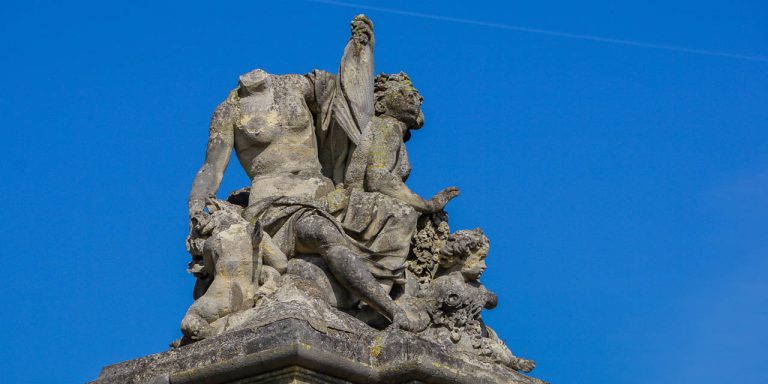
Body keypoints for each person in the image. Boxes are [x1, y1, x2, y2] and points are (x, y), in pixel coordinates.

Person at [181, 15, 414, 340]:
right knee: (320, 231)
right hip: (274, 205)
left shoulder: (295, 86)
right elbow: (211, 169)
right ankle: (389, 310)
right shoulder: (229, 111)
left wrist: (360, 53)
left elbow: (344, 101)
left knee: (399, 214)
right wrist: (197, 206)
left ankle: (371, 302)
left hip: (324, 194)